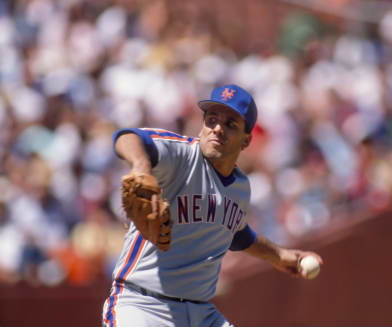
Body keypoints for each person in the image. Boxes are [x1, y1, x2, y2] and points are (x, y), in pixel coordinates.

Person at [102, 84, 323, 327]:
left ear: (246, 140)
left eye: (231, 124)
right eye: (212, 120)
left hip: (200, 312)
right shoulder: (182, 155)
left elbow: (237, 234)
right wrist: (141, 168)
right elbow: (127, 137)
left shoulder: (240, 187)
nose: (217, 129)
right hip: (143, 304)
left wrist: (279, 256)